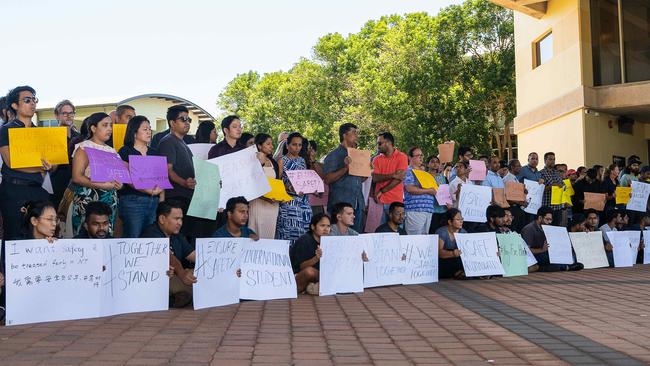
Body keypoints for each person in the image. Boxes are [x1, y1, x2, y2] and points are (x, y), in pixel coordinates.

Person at [0, 86, 52, 240]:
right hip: (14, 190)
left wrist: (50, 166)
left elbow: (53, 161)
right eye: (27, 100)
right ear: (15, 105)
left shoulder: (41, 132)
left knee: (39, 236)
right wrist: (40, 167)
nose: (32, 103)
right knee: (15, 236)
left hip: (39, 190)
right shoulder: (6, 130)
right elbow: (11, 162)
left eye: (34, 100)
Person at [71, 112, 122, 236]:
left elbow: (118, 177)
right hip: (87, 198)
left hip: (109, 199)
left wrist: (118, 184)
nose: (109, 129)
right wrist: (102, 185)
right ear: (93, 128)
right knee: (85, 236)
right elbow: (77, 177)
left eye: (111, 125)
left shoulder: (112, 151)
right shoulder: (83, 148)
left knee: (106, 236)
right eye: (105, 125)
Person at [141, 200, 196, 308]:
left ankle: (174, 298)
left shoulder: (177, 236)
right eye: (176, 219)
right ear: (162, 219)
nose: (180, 223)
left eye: (181, 219)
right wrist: (181, 272)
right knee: (192, 287)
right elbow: (167, 256)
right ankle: (172, 299)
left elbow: (194, 256)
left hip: (173, 278)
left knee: (199, 276)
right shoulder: (151, 234)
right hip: (155, 282)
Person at [118, 116, 164, 238]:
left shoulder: (155, 152)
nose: (149, 132)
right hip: (132, 201)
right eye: (145, 129)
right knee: (133, 237)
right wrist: (148, 190)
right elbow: (127, 178)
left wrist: (161, 199)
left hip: (154, 201)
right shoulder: (125, 151)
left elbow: (162, 178)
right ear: (134, 132)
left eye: (150, 129)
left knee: (151, 237)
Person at [157, 105, 198, 239]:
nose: (187, 122)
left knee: (187, 236)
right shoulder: (168, 142)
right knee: (179, 237)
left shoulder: (183, 143)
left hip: (186, 198)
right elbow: (167, 170)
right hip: (176, 199)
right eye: (183, 119)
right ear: (172, 123)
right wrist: (184, 183)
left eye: (189, 119)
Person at [323, 123, 365, 233]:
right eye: (354, 132)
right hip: (340, 205)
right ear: (344, 135)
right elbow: (327, 179)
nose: (357, 136)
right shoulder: (334, 155)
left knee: (356, 240)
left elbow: (360, 179)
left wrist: (368, 171)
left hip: (358, 203)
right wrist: (346, 168)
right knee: (339, 239)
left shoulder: (358, 155)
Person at [521, 206, 583, 272]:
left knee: (560, 256)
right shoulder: (529, 229)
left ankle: (564, 266)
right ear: (540, 218)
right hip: (533, 257)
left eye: (551, 220)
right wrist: (542, 250)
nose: (550, 222)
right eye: (547, 219)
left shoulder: (547, 227)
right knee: (550, 258)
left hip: (544, 253)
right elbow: (525, 251)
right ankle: (567, 267)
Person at [276, 133, 312, 242]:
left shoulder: (302, 161)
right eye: (294, 144)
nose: (297, 148)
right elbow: (276, 183)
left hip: (304, 203)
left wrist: (311, 187)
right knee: (288, 235)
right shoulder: (281, 160)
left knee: (303, 236)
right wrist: (288, 187)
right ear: (287, 145)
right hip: (288, 204)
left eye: (300, 145)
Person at [248, 133, 281, 239]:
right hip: (258, 202)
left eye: (272, 144)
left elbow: (277, 182)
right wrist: (265, 197)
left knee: (270, 235)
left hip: (273, 204)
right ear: (259, 146)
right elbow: (252, 182)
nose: (271, 146)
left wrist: (281, 196)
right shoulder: (252, 161)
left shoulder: (273, 162)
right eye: (268, 144)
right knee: (256, 235)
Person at [49, 100, 81, 209]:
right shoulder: (50, 136)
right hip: (57, 180)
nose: (69, 116)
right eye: (65, 113)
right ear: (57, 116)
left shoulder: (79, 136)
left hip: (77, 181)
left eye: (71, 113)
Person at [372, 132, 408, 223]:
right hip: (378, 202)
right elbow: (375, 178)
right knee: (379, 233)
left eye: (380, 143)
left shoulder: (402, 157)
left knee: (396, 233)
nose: (378, 146)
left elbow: (398, 179)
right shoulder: (376, 159)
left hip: (395, 202)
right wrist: (392, 175)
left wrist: (382, 190)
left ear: (388, 143)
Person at [292, 213, 331, 295]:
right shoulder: (305, 240)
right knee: (309, 272)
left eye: (328, 226)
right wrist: (316, 258)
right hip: (300, 275)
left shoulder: (329, 241)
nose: (326, 229)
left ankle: (312, 287)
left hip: (321, 275)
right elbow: (302, 267)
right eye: (322, 225)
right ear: (313, 227)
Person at [403, 147, 435, 235]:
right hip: (415, 210)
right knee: (415, 241)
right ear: (410, 158)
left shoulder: (425, 173)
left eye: (421, 155)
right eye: (418, 155)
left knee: (424, 241)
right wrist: (429, 191)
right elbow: (409, 188)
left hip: (427, 210)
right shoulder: (408, 171)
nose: (421, 157)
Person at [436, 209, 466, 279]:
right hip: (444, 260)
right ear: (450, 221)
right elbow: (438, 253)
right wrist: (453, 253)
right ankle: (457, 273)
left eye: (462, 219)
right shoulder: (442, 232)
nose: (461, 221)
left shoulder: (463, 232)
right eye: (458, 219)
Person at [539, 152, 566, 226]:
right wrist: (551, 186)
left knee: (556, 228)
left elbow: (564, 186)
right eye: (550, 159)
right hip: (547, 207)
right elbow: (540, 190)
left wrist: (561, 186)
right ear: (545, 160)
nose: (553, 161)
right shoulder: (541, 173)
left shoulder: (557, 172)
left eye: (554, 159)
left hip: (558, 207)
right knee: (546, 228)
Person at [426, 155, 449, 234]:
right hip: (430, 209)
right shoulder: (424, 176)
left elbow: (446, 191)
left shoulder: (443, 177)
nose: (435, 164)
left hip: (443, 209)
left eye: (437, 162)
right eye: (432, 162)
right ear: (427, 164)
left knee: (442, 233)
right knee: (432, 232)